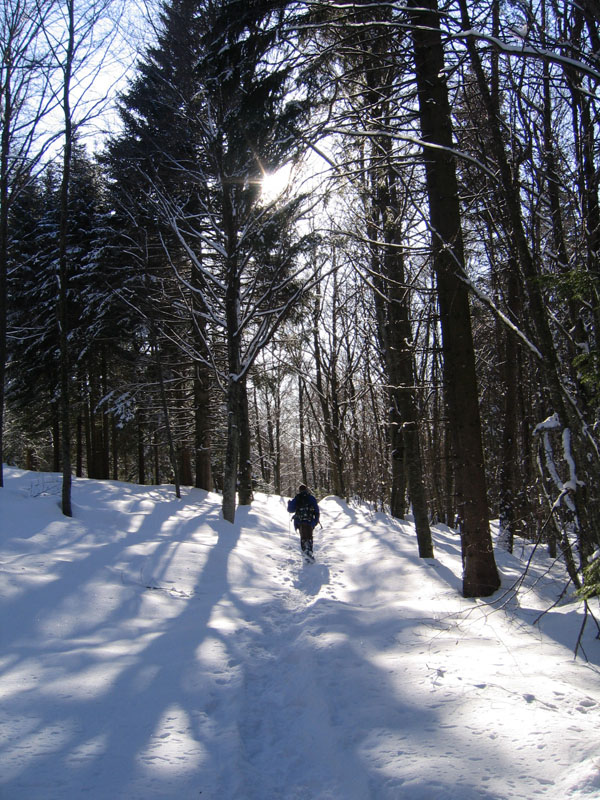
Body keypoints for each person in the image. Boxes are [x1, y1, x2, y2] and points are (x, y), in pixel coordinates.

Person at [287, 484, 320, 557]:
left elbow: (290, 510)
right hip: (310, 521)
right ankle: (309, 551)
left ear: (299, 490)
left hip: (300, 522)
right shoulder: (311, 498)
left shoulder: (297, 498)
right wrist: (316, 521)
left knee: (303, 537)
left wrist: (289, 504)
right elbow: (316, 510)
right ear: (306, 490)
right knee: (309, 537)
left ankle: (305, 553)